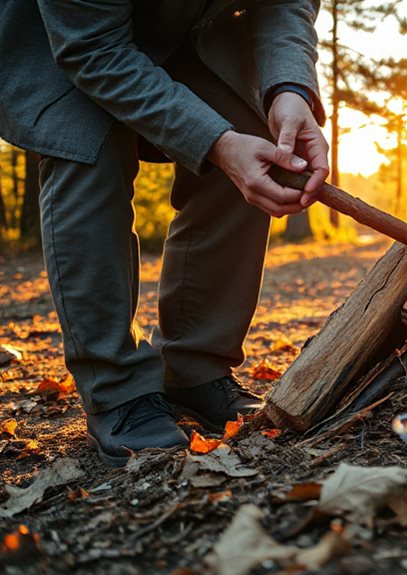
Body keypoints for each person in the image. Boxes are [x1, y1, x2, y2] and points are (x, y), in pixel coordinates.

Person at [0, 0, 329, 466]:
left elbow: (285, 2)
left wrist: (290, 90)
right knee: (86, 144)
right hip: (66, 42)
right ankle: (117, 389)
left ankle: (194, 367)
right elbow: (92, 49)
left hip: (186, 38)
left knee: (252, 132)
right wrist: (217, 145)